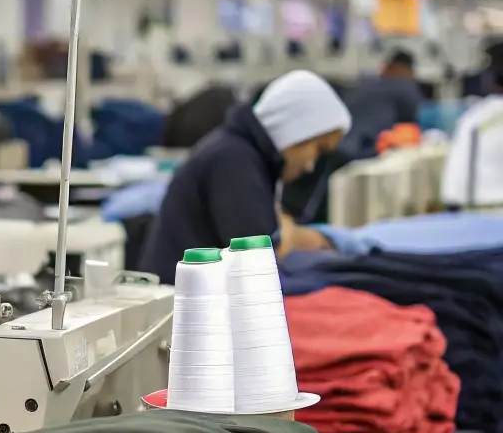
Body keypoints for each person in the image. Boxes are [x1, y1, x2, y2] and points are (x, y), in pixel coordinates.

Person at [139, 70, 351, 281]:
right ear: (296, 133)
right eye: (318, 149)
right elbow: (262, 259)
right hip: (181, 295)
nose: (310, 166)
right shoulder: (232, 161)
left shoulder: (242, 155)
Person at [341, 49, 422, 160]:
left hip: (339, 145)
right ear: (407, 70)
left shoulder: (362, 83)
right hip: (367, 148)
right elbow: (412, 123)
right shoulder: (405, 87)